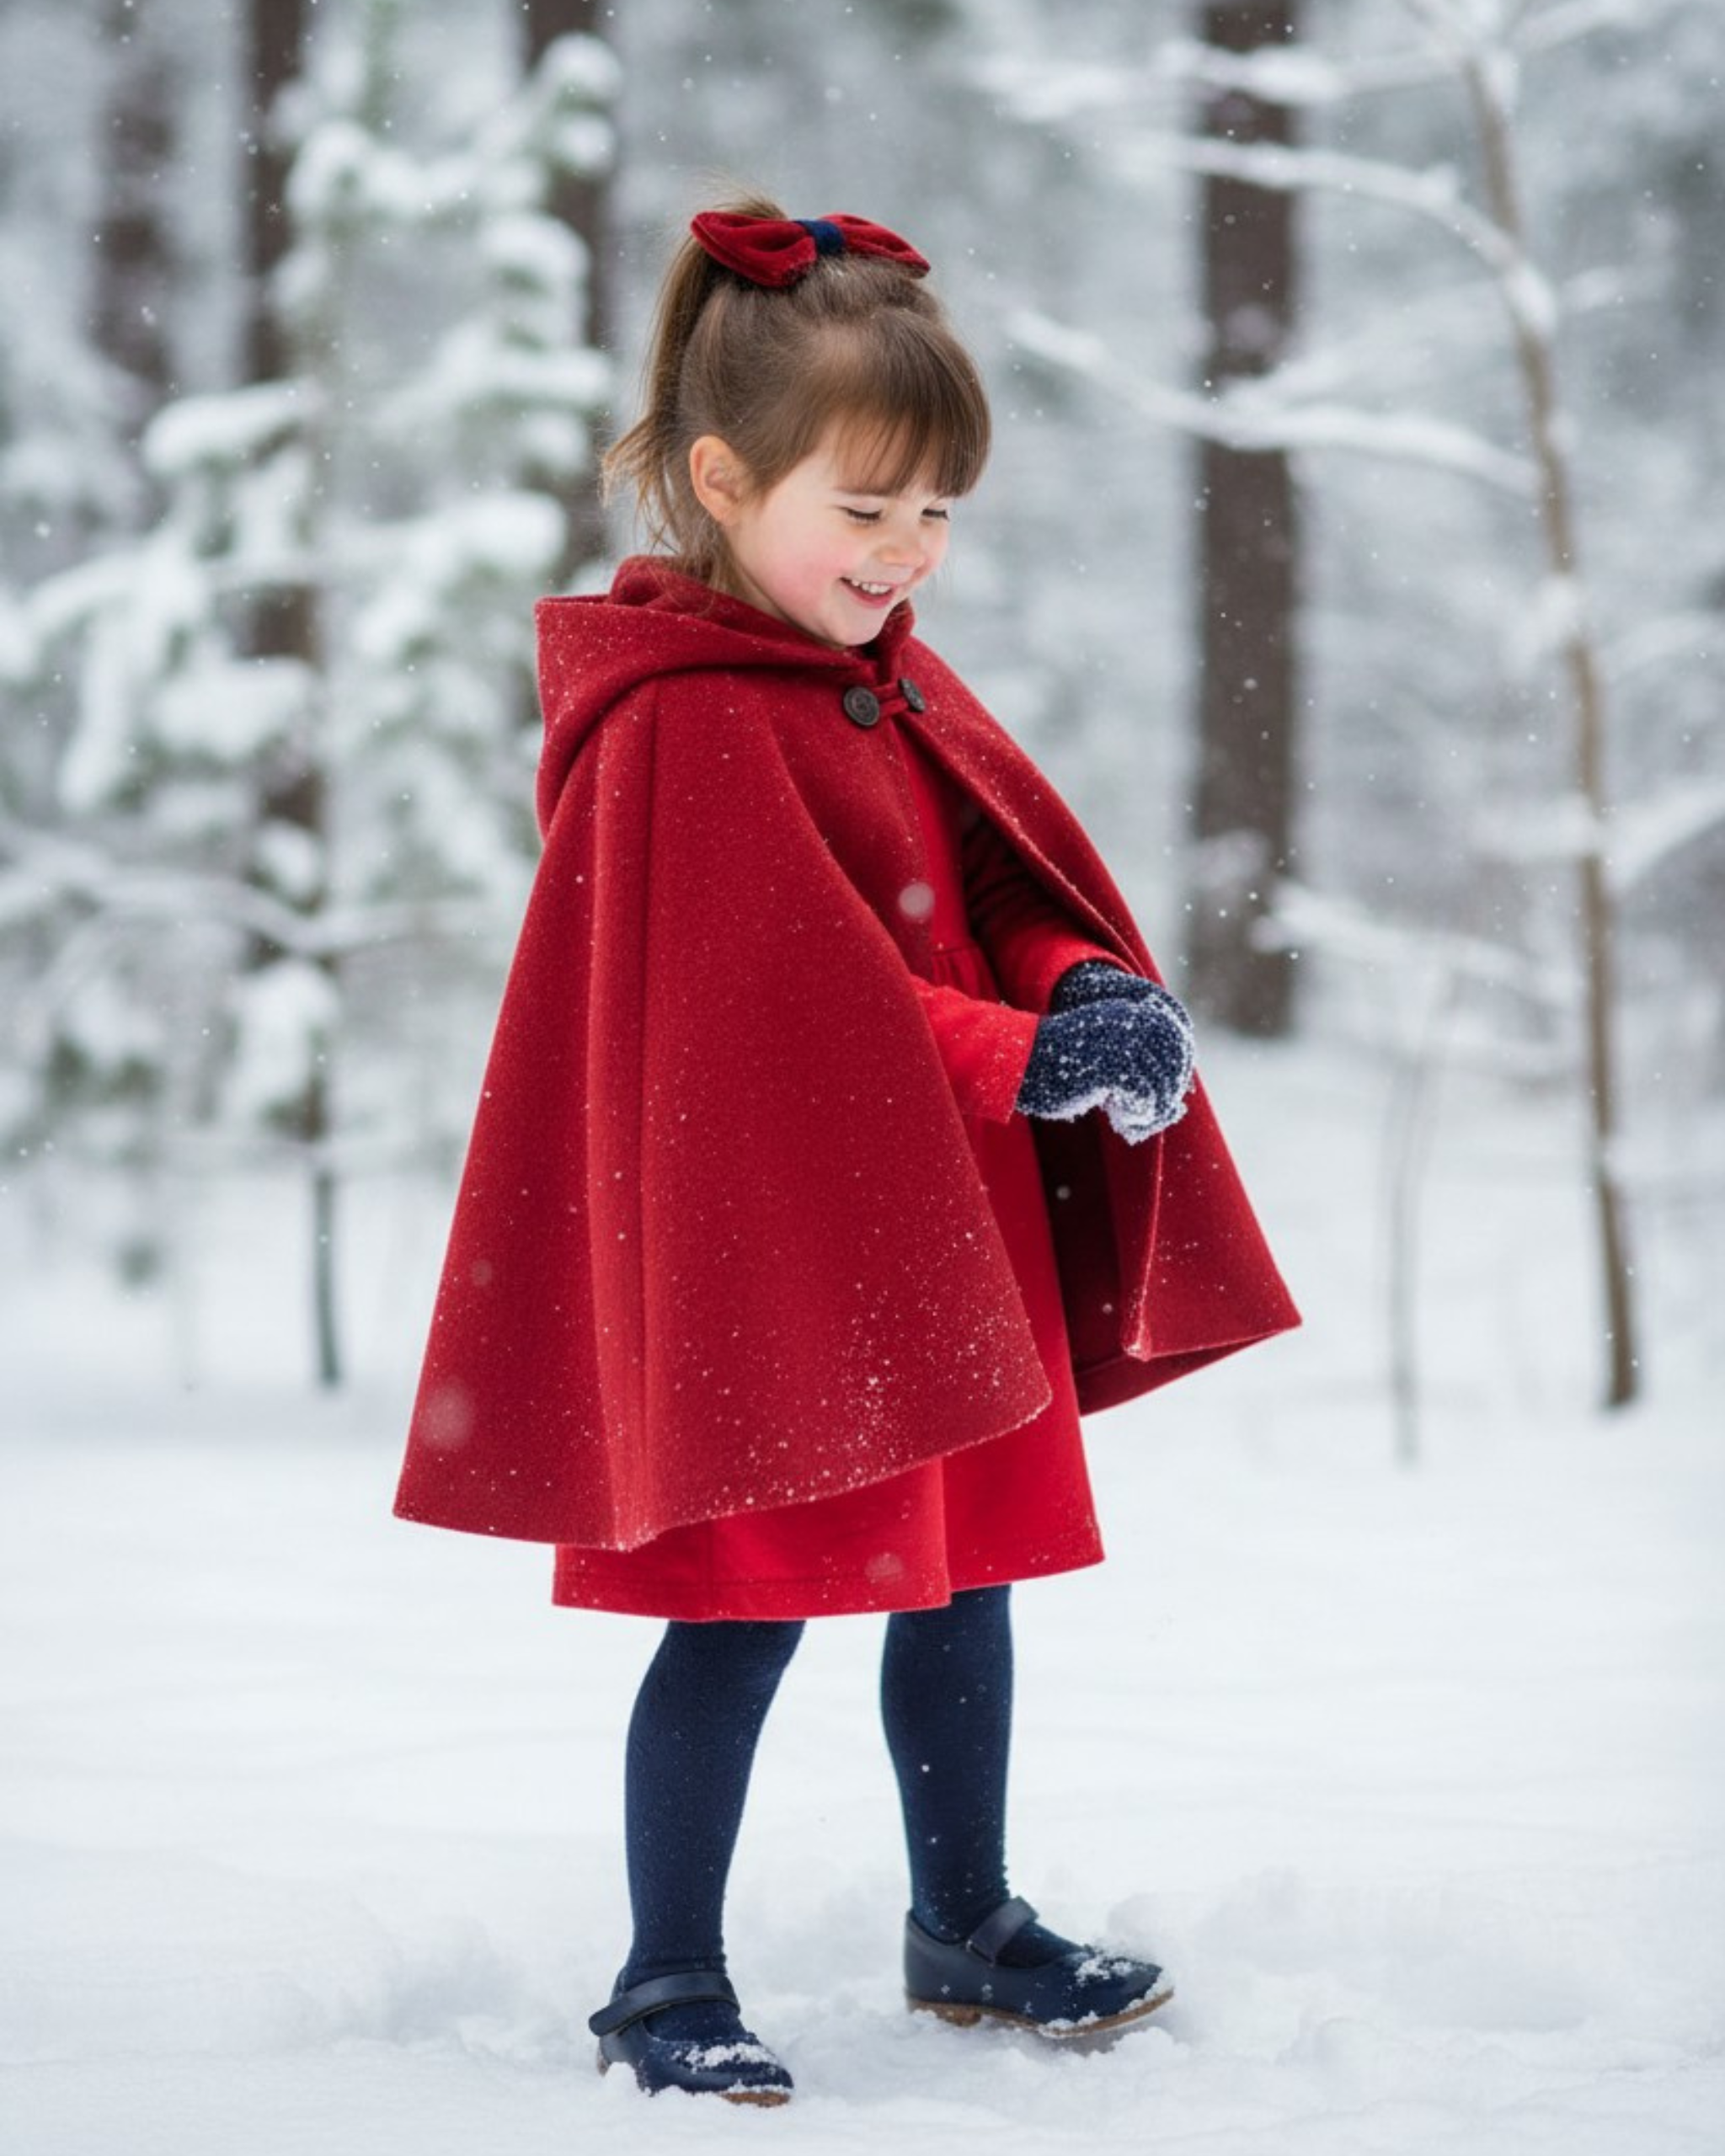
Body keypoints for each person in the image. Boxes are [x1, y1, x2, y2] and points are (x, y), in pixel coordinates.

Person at [394, 198, 1299, 2107]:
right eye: (865, 505)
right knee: (742, 1616)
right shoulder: (689, 723)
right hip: (774, 1256)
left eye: (937, 510)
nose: (904, 551)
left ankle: (964, 1919)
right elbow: (801, 1014)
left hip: (937, 1225)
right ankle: (664, 1980)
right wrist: (1024, 1050)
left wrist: (1078, 980)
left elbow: (989, 884)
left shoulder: (871, 673)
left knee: (964, 1583)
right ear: (723, 481)